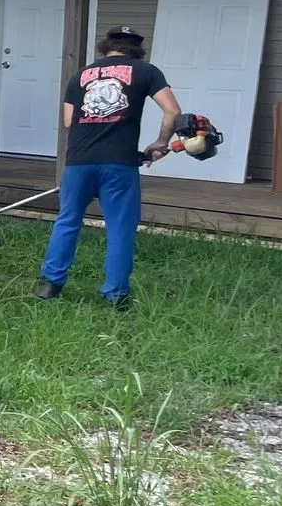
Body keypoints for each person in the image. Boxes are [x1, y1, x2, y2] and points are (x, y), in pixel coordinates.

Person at [36, 25, 182, 309]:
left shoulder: (80, 76)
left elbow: (68, 121)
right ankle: (115, 296)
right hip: (119, 163)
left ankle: (50, 284)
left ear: (106, 46)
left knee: (67, 221)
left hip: (79, 162)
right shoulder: (146, 71)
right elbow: (173, 111)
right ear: (137, 49)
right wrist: (161, 142)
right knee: (119, 228)